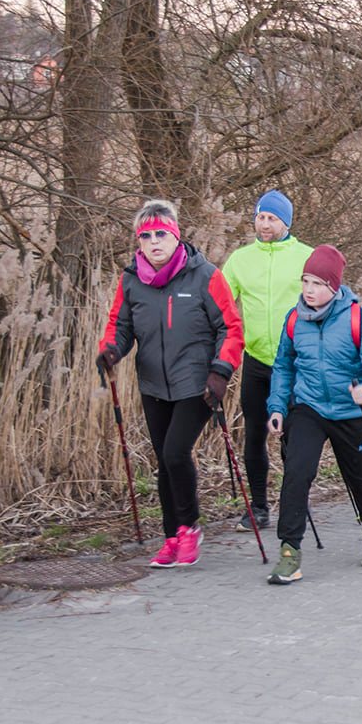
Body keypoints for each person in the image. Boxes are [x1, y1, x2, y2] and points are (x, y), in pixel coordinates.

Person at [97, 199, 245, 568]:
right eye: (146, 236)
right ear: (139, 242)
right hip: (153, 384)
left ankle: (190, 528)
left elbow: (230, 327)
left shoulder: (205, 275)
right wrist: (111, 351)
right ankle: (171, 535)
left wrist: (220, 371)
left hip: (196, 383)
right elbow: (121, 325)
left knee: (176, 453)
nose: (154, 242)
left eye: (161, 234)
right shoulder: (132, 279)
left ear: (176, 235)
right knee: (164, 461)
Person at [264, 244, 362, 585]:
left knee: (358, 478)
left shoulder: (355, 317)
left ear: (333, 288)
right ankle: (289, 552)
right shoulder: (294, 319)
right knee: (297, 473)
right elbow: (283, 367)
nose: (309, 289)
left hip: (350, 409)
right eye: (305, 281)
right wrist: (277, 407)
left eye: (318, 283)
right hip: (309, 407)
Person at [221, 190, 313, 532]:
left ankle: (295, 503)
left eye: (272, 218)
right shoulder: (240, 260)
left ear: (285, 222)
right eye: (261, 217)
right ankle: (258, 507)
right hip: (257, 359)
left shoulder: (306, 256)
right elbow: (221, 305)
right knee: (255, 434)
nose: (265, 224)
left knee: (294, 436)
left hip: (295, 362)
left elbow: (323, 300)